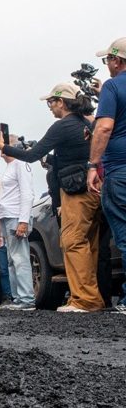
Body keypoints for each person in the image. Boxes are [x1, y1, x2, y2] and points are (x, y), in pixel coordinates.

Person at [1, 82, 104, 312]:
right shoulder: (85, 123)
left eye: (51, 102)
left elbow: (31, 155)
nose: (49, 107)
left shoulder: (63, 126)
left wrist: (6, 148)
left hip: (75, 192)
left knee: (73, 242)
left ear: (61, 102)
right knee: (91, 244)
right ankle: (91, 296)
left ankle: (85, 300)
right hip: (93, 188)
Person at [87, 37, 126, 312]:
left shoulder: (113, 86)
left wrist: (93, 165)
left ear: (117, 60)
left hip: (121, 170)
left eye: (108, 60)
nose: (108, 65)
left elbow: (103, 128)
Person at [0, 135, 35, 310]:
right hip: (7, 216)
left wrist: (23, 221)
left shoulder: (20, 163)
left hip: (16, 216)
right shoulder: (10, 166)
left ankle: (26, 299)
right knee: (12, 259)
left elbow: (27, 193)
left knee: (20, 258)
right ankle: (18, 298)